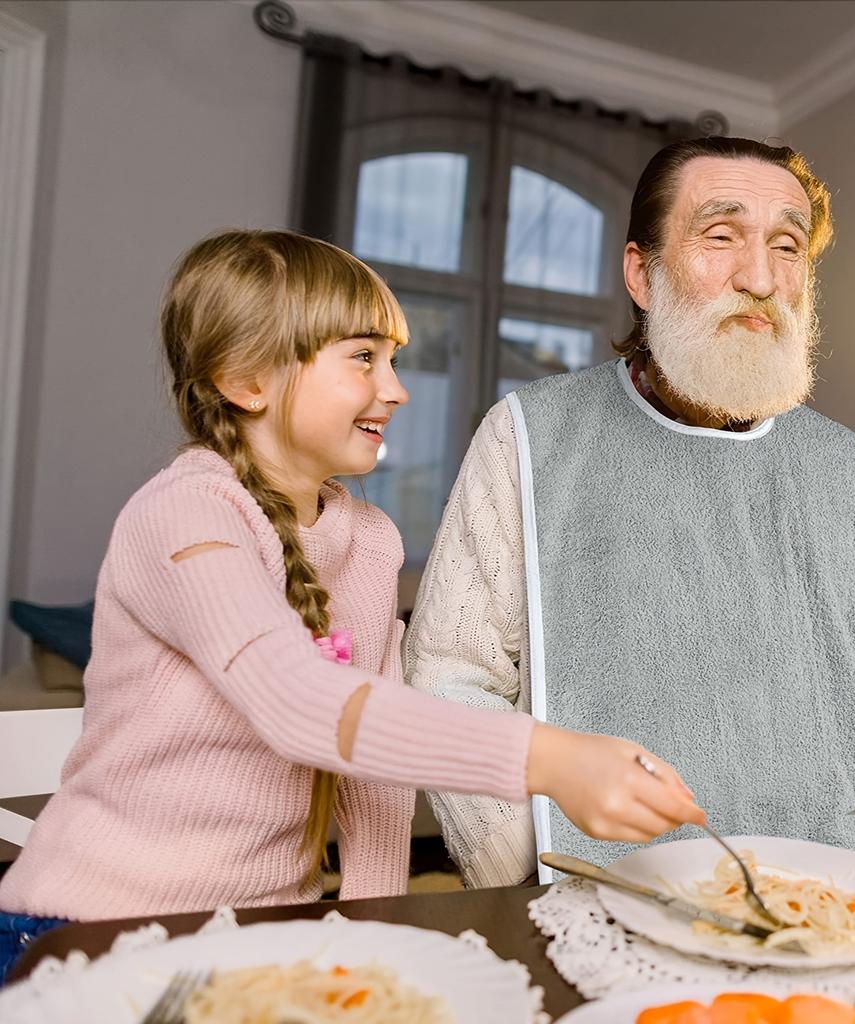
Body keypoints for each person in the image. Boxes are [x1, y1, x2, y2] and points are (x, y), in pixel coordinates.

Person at [0, 230, 703, 984]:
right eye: (363, 357)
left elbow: (374, 780)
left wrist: (373, 937)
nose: (395, 388)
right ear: (244, 378)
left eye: (393, 359)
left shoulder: (368, 542)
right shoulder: (185, 514)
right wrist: (548, 757)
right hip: (87, 936)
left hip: (262, 942)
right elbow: (298, 701)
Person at [404, 136, 855, 888]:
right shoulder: (529, 433)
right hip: (614, 883)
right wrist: (527, 857)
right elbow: (448, 675)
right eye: (721, 236)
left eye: (788, 246)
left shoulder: (843, 462)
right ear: (641, 273)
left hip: (853, 880)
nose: (760, 277)